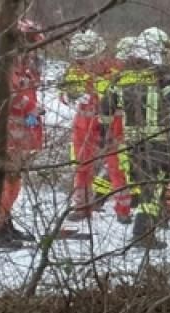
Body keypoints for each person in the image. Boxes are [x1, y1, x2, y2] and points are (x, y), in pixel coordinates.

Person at [101, 32, 170, 249]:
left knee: (143, 184)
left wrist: (102, 134)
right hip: (157, 139)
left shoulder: (123, 74)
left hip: (132, 142)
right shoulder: (162, 73)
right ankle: (142, 232)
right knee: (154, 184)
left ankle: (152, 222)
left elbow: (106, 107)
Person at [59, 29, 129, 222]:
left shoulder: (116, 69)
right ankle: (82, 207)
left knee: (117, 167)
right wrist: (71, 96)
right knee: (81, 167)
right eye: (81, 60)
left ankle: (123, 210)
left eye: (87, 59)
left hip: (113, 125)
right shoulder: (74, 70)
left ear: (99, 53)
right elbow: (63, 93)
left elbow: (126, 95)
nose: (84, 64)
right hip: (83, 125)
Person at [0, 19, 44, 248]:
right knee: (6, 180)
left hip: (22, 132)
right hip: (7, 132)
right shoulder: (5, 65)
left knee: (14, 181)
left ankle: (6, 223)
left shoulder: (25, 66)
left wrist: (33, 120)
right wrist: (31, 108)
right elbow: (10, 94)